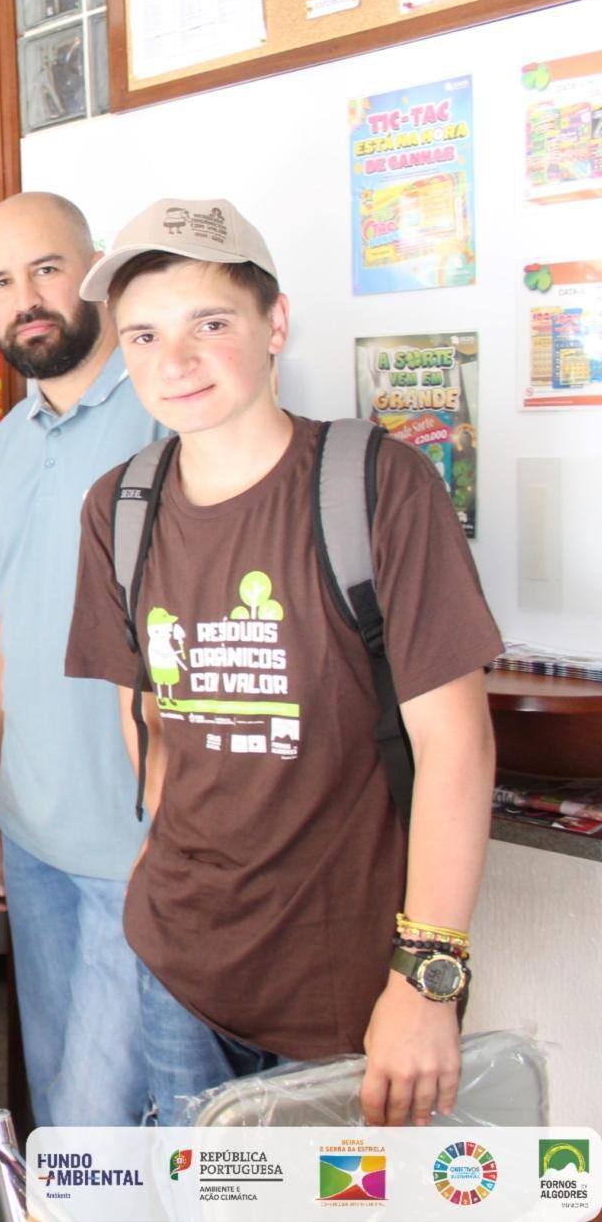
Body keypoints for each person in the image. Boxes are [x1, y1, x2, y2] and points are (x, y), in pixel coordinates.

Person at [65, 197, 503, 1127]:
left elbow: (458, 747)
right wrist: (157, 839)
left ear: (276, 324)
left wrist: (426, 982)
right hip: (181, 963)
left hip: (347, 976)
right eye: (142, 335)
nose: (173, 362)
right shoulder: (120, 506)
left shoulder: (378, 483)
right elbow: (140, 704)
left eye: (209, 324)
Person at [0, 192, 161, 1127]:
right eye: (0, 281)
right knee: (64, 1121)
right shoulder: (4, 444)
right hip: (30, 837)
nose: (26, 299)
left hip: (138, 848)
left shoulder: (168, 412)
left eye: (45, 268)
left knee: (106, 1127)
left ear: (96, 270)